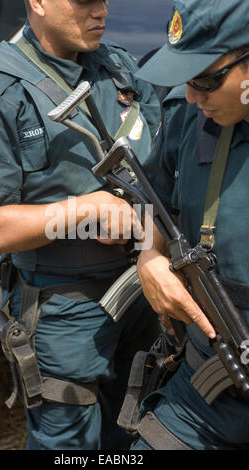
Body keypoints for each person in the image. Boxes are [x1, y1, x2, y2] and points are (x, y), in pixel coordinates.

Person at [0, 0, 161, 450]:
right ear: (39, 3)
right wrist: (85, 210)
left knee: (133, 432)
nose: (101, 12)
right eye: (85, 2)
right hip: (66, 313)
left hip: (142, 293)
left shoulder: (119, 67)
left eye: (104, 1)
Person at [128, 0, 249, 450]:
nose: (194, 95)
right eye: (187, 79)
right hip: (204, 390)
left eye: (206, 79)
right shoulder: (187, 113)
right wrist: (149, 257)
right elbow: (152, 201)